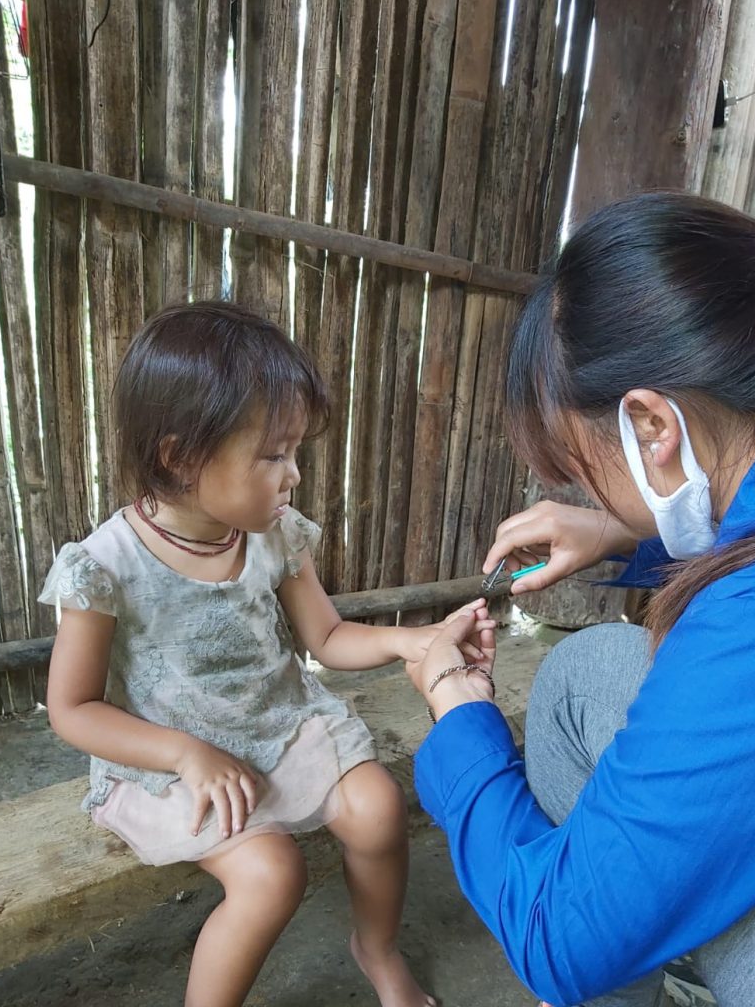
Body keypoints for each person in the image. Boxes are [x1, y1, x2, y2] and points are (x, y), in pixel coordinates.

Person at [405, 192, 755, 1007]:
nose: (587, 490)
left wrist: (455, 715)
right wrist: (625, 536)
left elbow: (558, 941)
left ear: (651, 426)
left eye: (581, 466)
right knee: (585, 674)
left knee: (590, 913)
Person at [39, 302, 494, 1007]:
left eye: (295, 453)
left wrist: (417, 640)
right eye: (273, 454)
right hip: (171, 758)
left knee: (376, 807)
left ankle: (374, 949)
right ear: (181, 456)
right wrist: (186, 754)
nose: (295, 476)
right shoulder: (105, 566)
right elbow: (72, 711)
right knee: (271, 873)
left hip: (276, 723)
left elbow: (328, 639)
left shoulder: (275, 536)